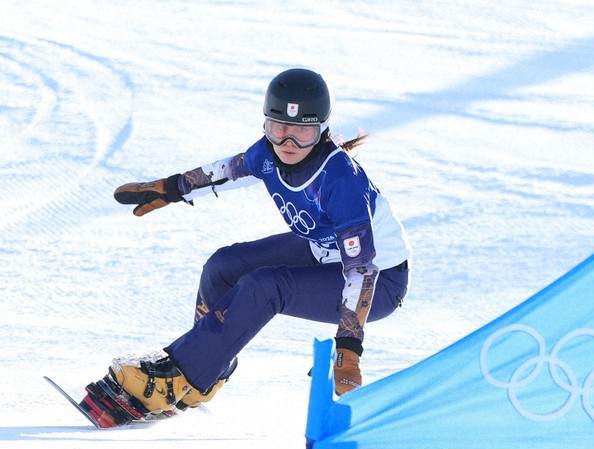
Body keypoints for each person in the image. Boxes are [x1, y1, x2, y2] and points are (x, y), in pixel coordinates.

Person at [79, 68, 411, 428]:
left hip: (379, 283)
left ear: (322, 131)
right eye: (278, 128)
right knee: (225, 265)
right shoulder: (268, 155)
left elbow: (361, 267)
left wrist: (349, 347)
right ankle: (202, 372)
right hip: (324, 252)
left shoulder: (340, 181)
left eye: (303, 133)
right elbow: (227, 171)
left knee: (266, 286)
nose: (289, 143)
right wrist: (172, 188)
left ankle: (178, 377)